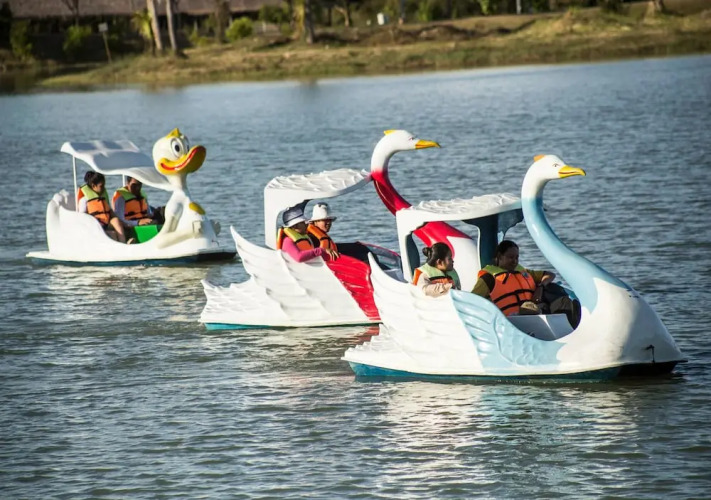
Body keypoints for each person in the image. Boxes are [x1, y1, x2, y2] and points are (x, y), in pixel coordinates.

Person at [472, 240, 580, 327]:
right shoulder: (489, 278)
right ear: (500, 256)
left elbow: (549, 275)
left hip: (535, 312)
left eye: (517, 257)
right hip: (512, 321)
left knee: (561, 297)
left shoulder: (523, 272)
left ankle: (573, 330)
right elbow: (472, 300)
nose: (515, 261)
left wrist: (540, 287)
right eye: (510, 257)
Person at [78, 171, 129, 243]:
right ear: (93, 186)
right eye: (101, 186)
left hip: (107, 222)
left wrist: (123, 222)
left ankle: (123, 243)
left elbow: (110, 211)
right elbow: (82, 216)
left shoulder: (103, 196)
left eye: (104, 185)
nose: (103, 188)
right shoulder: (84, 199)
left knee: (116, 221)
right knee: (112, 235)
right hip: (96, 225)